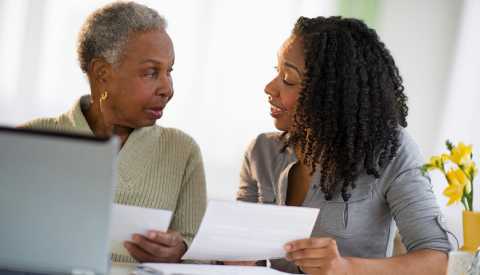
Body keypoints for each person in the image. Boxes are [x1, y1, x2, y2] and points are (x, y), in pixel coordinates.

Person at [236, 16, 451, 274]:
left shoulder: (391, 153)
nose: (270, 87)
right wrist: (235, 256)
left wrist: (345, 267)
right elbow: (244, 252)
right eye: (276, 72)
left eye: (288, 79)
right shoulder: (261, 152)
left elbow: (438, 260)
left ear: (331, 92)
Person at [21, 2, 206, 264]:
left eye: (169, 71)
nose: (167, 89)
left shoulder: (182, 151)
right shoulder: (31, 140)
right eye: (151, 72)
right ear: (102, 74)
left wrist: (179, 253)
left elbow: (201, 257)